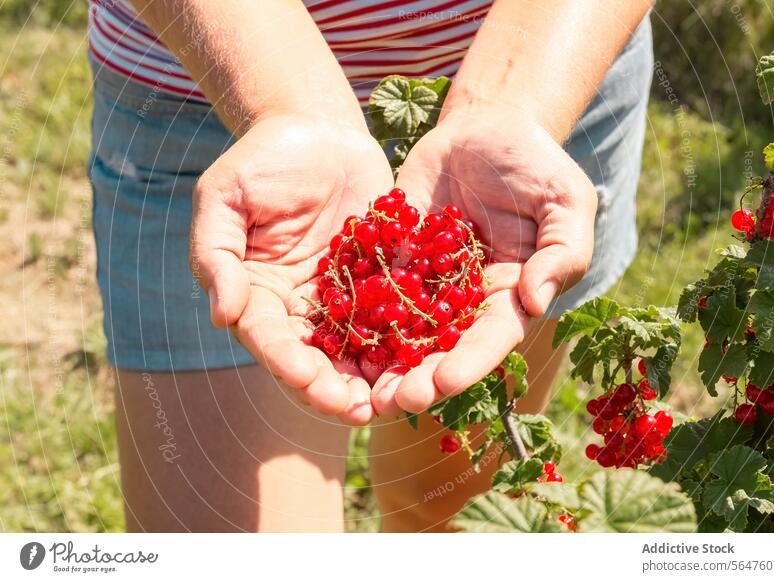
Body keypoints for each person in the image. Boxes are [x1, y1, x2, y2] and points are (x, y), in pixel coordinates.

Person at [87, 0, 654, 531]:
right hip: (203, 74)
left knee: (447, 511)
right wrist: (288, 106)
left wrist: (513, 106)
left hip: (546, 80)